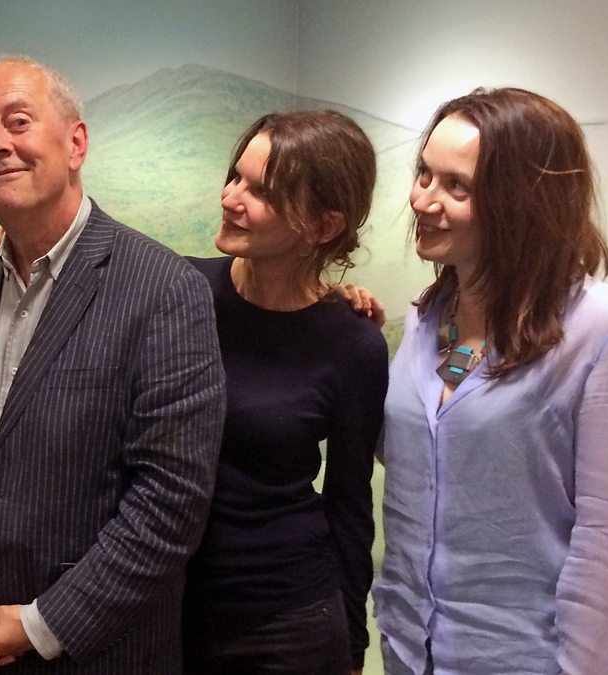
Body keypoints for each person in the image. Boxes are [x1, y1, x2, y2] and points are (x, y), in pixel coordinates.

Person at [0, 56, 226, 674]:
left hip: (104, 656)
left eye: (18, 121)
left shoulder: (164, 289)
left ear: (76, 143)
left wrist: (38, 625)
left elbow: (171, 500)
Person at [373, 87, 608, 674]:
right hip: (410, 650)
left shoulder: (605, 330)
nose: (423, 200)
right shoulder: (429, 317)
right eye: (424, 174)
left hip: (524, 659)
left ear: (523, 202)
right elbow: (432, 455)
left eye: (457, 186)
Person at [183, 111, 388, 675]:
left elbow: (349, 503)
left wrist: (352, 647)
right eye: (235, 176)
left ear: (324, 226)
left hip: (288, 620)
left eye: (260, 191)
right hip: (169, 605)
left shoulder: (353, 343)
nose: (230, 198)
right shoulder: (182, 292)